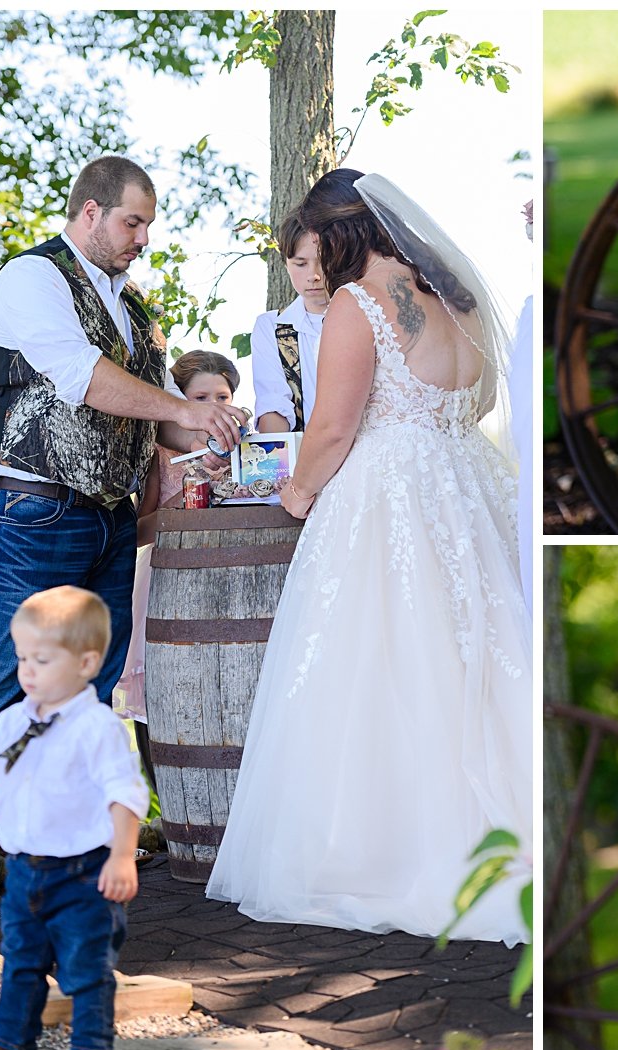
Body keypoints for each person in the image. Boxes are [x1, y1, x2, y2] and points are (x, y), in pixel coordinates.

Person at [205, 169, 529, 945]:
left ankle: (388, 850)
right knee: (471, 660)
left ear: (341, 233)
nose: (312, 262)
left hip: (389, 496)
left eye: (315, 243)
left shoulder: (359, 304)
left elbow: (334, 428)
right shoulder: (455, 298)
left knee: (380, 664)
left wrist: (297, 494)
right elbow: (476, 403)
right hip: (467, 484)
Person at [0, 156, 247, 877]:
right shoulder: (32, 278)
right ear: (91, 213)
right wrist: (185, 409)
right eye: (133, 222)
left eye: (148, 226)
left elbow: (167, 423)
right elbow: (87, 379)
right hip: (30, 509)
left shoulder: (137, 311)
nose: (142, 239)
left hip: (108, 520)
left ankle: (61, 835)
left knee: (92, 690)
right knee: (6, 669)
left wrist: (220, 432)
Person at [0, 586, 148, 1050]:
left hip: (82, 874)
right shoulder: (14, 719)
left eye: (42, 659)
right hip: (23, 873)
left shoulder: (95, 727)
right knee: (20, 962)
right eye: (22, 659)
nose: (27, 671)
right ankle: (11, 1043)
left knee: (86, 964)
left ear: (85, 663)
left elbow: (125, 793)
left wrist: (122, 856)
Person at [114, 351, 242, 782]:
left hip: (234, 580)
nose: (213, 405)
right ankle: (166, 801)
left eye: (222, 395)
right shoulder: (161, 452)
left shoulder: (251, 448)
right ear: (182, 401)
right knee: (160, 691)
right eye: (200, 396)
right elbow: (136, 530)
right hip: (165, 579)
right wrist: (183, 505)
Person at [250, 211, 327, 432]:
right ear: (286, 265)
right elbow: (273, 401)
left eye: (322, 262)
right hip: (303, 455)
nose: (314, 275)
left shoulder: (364, 317)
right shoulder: (271, 327)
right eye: (300, 264)